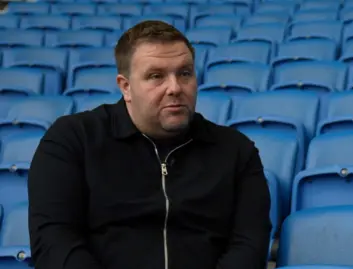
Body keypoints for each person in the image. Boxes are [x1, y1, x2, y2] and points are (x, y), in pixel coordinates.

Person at [28, 20, 272, 269]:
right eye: (156, 76)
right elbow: (54, 241)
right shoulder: (72, 140)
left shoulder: (236, 151)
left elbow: (249, 243)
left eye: (185, 73)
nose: (175, 88)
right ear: (126, 87)